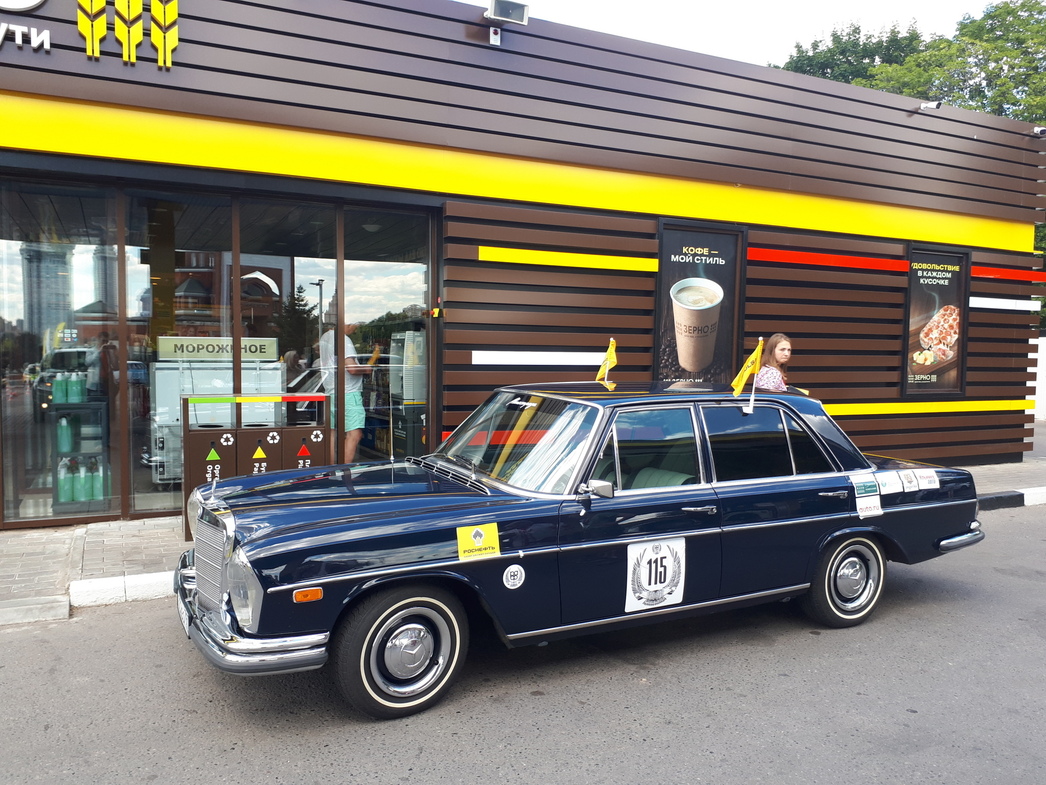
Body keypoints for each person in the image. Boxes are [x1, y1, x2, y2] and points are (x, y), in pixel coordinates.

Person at [319, 321, 372, 463]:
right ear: (347, 322)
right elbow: (352, 369)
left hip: (331, 392)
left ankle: (331, 469)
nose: (355, 330)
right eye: (355, 326)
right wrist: (368, 368)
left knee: (331, 434)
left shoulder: (325, 337)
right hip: (348, 392)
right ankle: (344, 470)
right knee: (354, 434)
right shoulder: (343, 339)